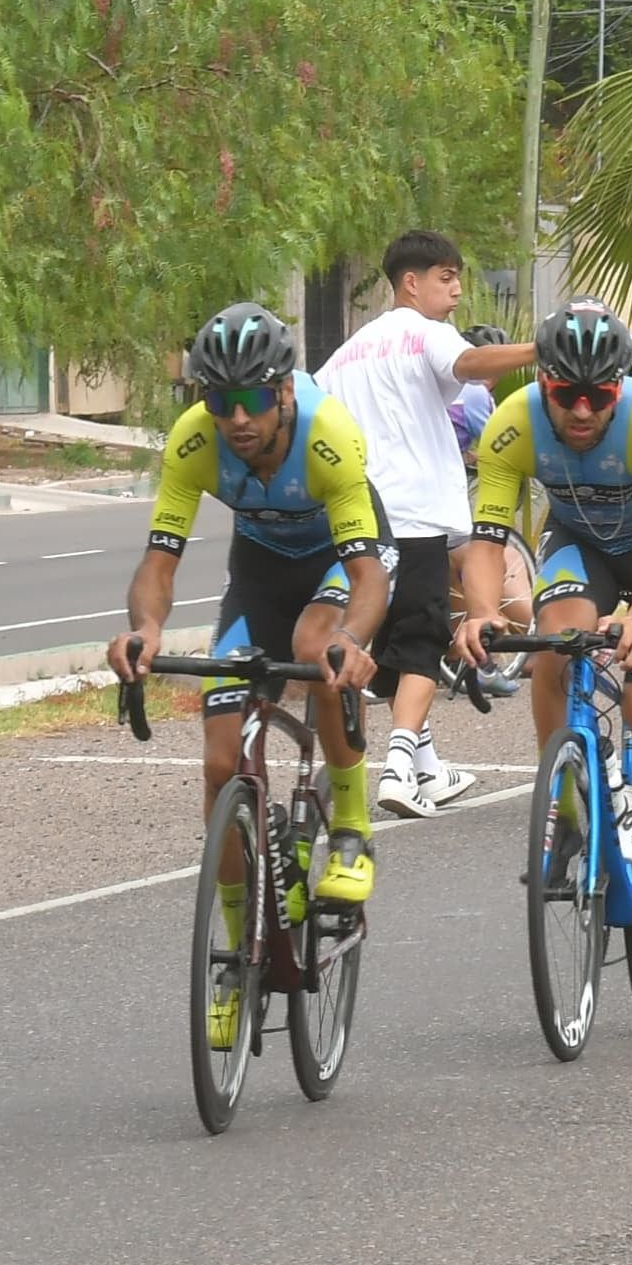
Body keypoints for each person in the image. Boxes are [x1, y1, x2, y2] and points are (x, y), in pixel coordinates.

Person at [107, 306, 393, 997]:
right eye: (220, 401)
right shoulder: (193, 442)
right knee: (217, 758)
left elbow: (367, 578)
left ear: (285, 393)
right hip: (261, 573)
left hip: (342, 565)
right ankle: (238, 957)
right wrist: (144, 629)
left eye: (254, 400)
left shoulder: (330, 438)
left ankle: (351, 827)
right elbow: (159, 563)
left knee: (313, 646)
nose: (237, 418)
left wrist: (352, 641)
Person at [458, 303, 632, 949]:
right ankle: (566, 816)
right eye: (564, 393)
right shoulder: (512, 425)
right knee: (553, 651)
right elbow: (487, 541)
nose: (579, 410)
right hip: (581, 543)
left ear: (618, 387)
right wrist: (484, 611)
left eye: (597, 395)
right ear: (542, 381)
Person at [319, 230, 536, 820]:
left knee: (388, 657)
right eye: (447, 278)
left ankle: (427, 766)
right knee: (421, 646)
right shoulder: (427, 333)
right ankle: (396, 769)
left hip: (356, 521)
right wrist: (541, 349)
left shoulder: (346, 353)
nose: (459, 291)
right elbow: (467, 363)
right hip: (414, 518)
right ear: (410, 283)